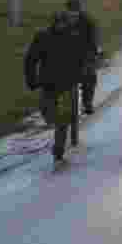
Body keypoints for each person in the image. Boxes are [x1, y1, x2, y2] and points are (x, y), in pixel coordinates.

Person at [24, 11, 88, 166]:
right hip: (48, 85)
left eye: (63, 23)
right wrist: (32, 80)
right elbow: (31, 59)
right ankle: (58, 139)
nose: (61, 26)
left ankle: (58, 152)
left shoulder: (74, 38)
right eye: (58, 23)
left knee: (63, 120)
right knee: (48, 113)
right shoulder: (43, 37)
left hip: (67, 86)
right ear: (52, 23)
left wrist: (81, 76)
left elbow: (82, 59)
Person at [65, 0, 102, 115]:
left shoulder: (88, 21)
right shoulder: (61, 20)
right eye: (71, 10)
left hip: (84, 54)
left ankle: (87, 102)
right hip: (65, 53)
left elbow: (94, 38)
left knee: (90, 76)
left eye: (76, 10)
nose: (73, 14)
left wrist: (96, 50)